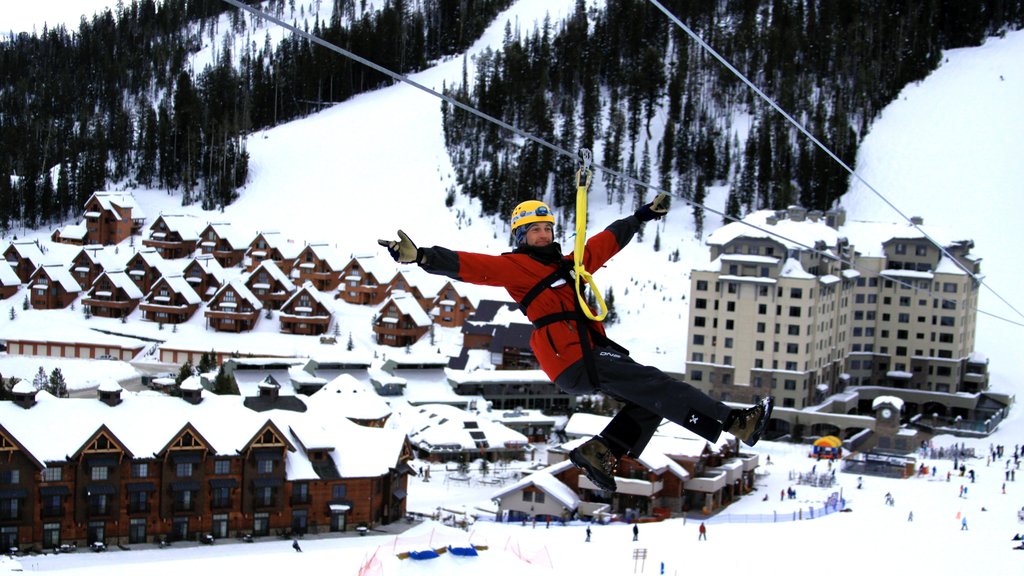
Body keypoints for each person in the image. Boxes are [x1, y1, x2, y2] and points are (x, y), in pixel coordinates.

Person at [379, 198, 773, 492]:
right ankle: (735, 422)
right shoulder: (515, 267)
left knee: (651, 399)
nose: (543, 234)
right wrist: (423, 257)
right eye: (534, 230)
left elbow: (606, 242)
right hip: (570, 354)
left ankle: (601, 451)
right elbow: (473, 266)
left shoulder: (571, 265)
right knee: (658, 385)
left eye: (547, 228)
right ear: (520, 237)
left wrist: (640, 216)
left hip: (586, 353)